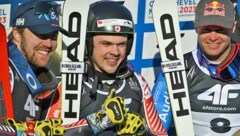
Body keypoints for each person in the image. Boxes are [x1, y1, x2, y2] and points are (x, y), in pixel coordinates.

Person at [63, 1, 167, 136]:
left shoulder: (137, 82)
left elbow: (160, 133)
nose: (115, 52)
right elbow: (48, 131)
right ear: (88, 44)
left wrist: (142, 130)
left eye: (122, 44)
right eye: (106, 43)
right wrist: (100, 120)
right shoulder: (67, 82)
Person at [0, 0, 68, 135]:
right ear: (17, 35)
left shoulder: (41, 78)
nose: (49, 43)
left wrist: (96, 122)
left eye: (53, 36)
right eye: (41, 35)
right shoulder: (6, 70)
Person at [184, 0, 240, 135]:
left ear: (233, 27)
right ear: (196, 27)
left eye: (221, 30)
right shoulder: (181, 66)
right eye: (206, 30)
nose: (213, 37)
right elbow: (157, 126)